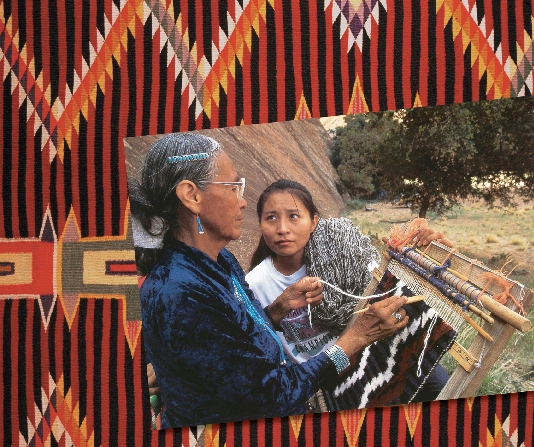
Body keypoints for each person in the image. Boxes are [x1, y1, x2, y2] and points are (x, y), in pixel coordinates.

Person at [129, 133, 410, 428]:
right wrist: (356, 339)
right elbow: (274, 395)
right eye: (234, 187)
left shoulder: (218, 261)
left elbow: (233, 338)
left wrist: (279, 308)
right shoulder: (180, 293)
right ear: (192, 196)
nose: (243, 203)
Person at [246, 179, 451, 405]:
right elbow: (252, 347)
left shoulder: (341, 254)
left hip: (373, 354)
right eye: (271, 218)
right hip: (326, 378)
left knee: (440, 385)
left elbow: (385, 285)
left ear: (314, 222)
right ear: (259, 224)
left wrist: (429, 254)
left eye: (294, 216)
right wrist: (281, 307)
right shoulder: (254, 285)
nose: (283, 228)